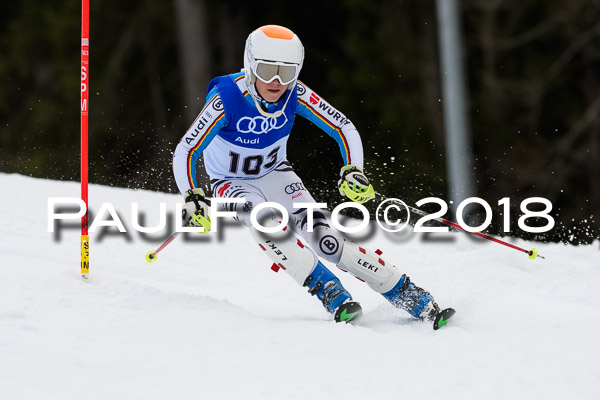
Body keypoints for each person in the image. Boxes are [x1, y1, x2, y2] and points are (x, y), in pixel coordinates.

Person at [173, 25, 452, 326]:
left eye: (287, 71)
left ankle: (407, 293)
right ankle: (330, 291)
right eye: (267, 70)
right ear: (250, 65)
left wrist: (352, 169)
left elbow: (342, 127)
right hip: (231, 183)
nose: (276, 81)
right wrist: (193, 195)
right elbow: (187, 149)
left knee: (325, 239)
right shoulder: (227, 98)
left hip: (277, 174)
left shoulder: (296, 93)